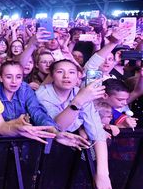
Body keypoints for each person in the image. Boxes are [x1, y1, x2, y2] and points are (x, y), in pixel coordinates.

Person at [36, 59, 112, 189]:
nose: (66, 76)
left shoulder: (80, 92)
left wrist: (103, 173)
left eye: (71, 72)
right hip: (43, 151)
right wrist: (78, 101)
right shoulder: (42, 94)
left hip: (71, 150)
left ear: (78, 76)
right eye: (60, 72)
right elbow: (58, 126)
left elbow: (96, 131)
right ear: (52, 75)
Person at [0, 61, 90, 149]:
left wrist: (54, 132)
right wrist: (15, 124)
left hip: (22, 142)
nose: (14, 81)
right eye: (9, 77)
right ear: (1, 78)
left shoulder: (25, 89)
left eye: (18, 77)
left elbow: (37, 112)